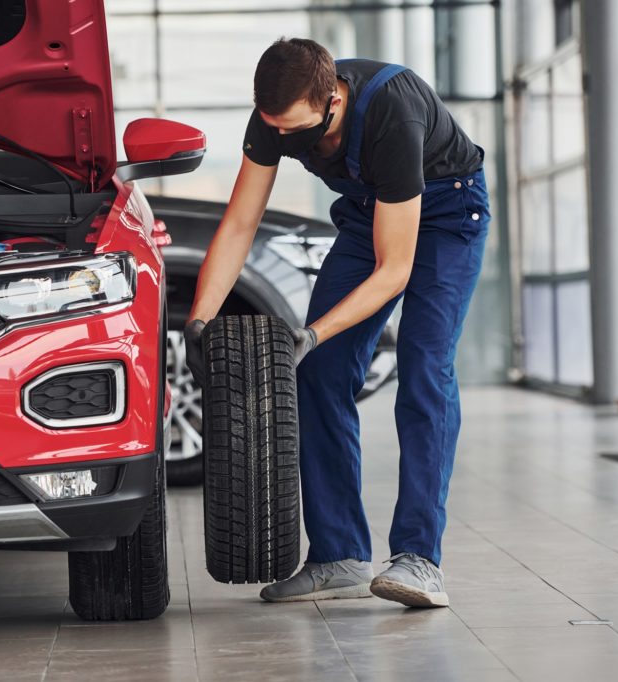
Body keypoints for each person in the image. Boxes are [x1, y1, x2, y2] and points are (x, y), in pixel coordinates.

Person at [183, 38, 489, 608]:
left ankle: (419, 559)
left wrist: (314, 331)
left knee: (425, 368)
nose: (286, 140)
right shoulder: (275, 118)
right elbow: (240, 224)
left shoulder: (393, 111)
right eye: (275, 128)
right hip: (368, 212)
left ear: (334, 102)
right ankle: (339, 555)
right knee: (318, 372)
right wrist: (199, 320)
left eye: (297, 131)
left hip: (448, 214)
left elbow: (395, 270)